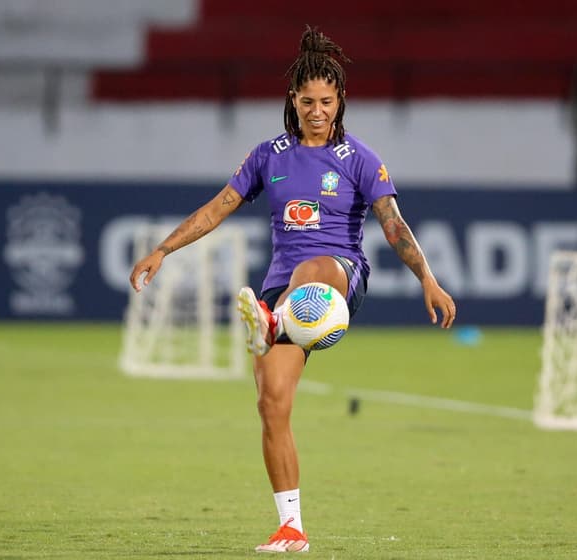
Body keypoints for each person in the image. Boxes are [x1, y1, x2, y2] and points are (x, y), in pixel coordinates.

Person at [129, 25, 456, 554]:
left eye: (327, 101)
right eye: (308, 101)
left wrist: (429, 279)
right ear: (294, 101)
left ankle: (273, 321)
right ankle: (291, 528)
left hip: (337, 276)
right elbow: (219, 207)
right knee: (272, 404)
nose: (318, 111)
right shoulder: (269, 155)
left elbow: (393, 225)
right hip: (282, 289)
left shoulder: (360, 159)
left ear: (340, 101)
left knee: (316, 267)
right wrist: (164, 249)